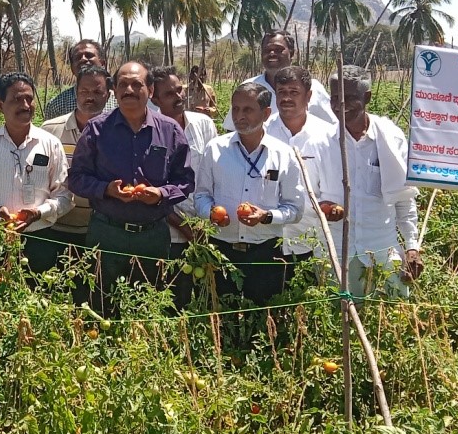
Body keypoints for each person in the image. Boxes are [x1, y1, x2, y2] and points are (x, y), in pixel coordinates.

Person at [68, 61, 194, 312]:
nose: (129, 90)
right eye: (123, 84)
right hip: (106, 233)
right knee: (100, 305)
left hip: (153, 236)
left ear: (150, 90)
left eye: (137, 84)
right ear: (114, 90)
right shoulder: (97, 129)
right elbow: (76, 178)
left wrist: (160, 194)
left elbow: (186, 181)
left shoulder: (169, 131)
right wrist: (106, 189)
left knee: (150, 304)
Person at [194, 82, 306, 304]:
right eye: (235, 109)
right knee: (222, 316)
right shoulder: (215, 149)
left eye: (247, 109)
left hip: (265, 253)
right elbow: (201, 196)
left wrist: (266, 216)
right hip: (221, 250)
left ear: (266, 113)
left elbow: (295, 209)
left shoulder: (284, 154)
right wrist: (212, 212)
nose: (239, 115)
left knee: (264, 321)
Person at [323, 66, 422, 299]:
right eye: (335, 98)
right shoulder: (322, 142)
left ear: (367, 97)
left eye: (349, 98)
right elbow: (310, 196)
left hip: (383, 249)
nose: (340, 105)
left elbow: (403, 197)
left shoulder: (390, 137)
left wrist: (411, 246)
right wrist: (325, 206)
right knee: (341, 317)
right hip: (340, 252)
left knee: (396, 315)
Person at [0, 72, 72, 272]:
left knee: (38, 298)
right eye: (16, 99)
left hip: (39, 239)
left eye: (29, 99)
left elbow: (64, 195)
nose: (25, 105)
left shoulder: (50, 144)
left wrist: (39, 213)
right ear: (0, 105)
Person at [267, 64, 339, 264]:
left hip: (313, 240)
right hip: (271, 237)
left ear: (308, 96)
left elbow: (334, 189)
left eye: (294, 92)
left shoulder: (328, 135)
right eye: (281, 92)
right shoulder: (263, 133)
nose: (287, 98)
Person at [150, 65, 219, 252]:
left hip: (206, 226)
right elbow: (153, 193)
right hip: (169, 234)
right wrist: (187, 228)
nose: (179, 97)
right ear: (154, 99)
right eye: (169, 94)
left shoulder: (203, 124)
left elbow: (215, 174)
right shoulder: (148, 134)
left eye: (179, 90)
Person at [41, 65, 111, 248]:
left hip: (100, 229)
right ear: (75, 93)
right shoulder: (50, 129)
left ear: (108, 95)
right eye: (84, 91)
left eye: (97, 91)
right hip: (54, 227)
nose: (90, 97)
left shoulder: (118, 132)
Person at [224, 30, 335, 131]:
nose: (272, 53)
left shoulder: (314, 88)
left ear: (291, 53)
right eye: (267, 50)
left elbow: (332, 126)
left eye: (278, 50)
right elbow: (231, 130)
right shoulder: (249, 88)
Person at [44, 40, 114, 119]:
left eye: (89, 55)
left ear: (103, 64)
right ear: (72, 68)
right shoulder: (56, 105)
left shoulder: (118, 102)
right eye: (78, 57)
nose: (83, 59)